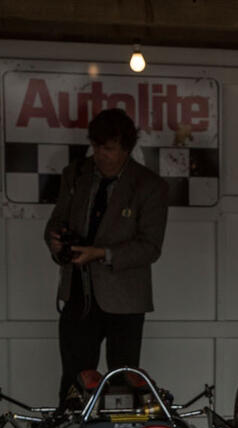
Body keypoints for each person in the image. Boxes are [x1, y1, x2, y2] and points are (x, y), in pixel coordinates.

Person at [44, 107, 169, 405]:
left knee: (124, 380)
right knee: (75, 379)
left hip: (125, 299)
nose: (101, 154)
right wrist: (56, 242)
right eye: (96, 146)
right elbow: (55, 222)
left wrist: (101, 253)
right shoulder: (76, 174)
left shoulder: (150, 185)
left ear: (127, 148)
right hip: (79, 293)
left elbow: (151, 247)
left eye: (109, 149)